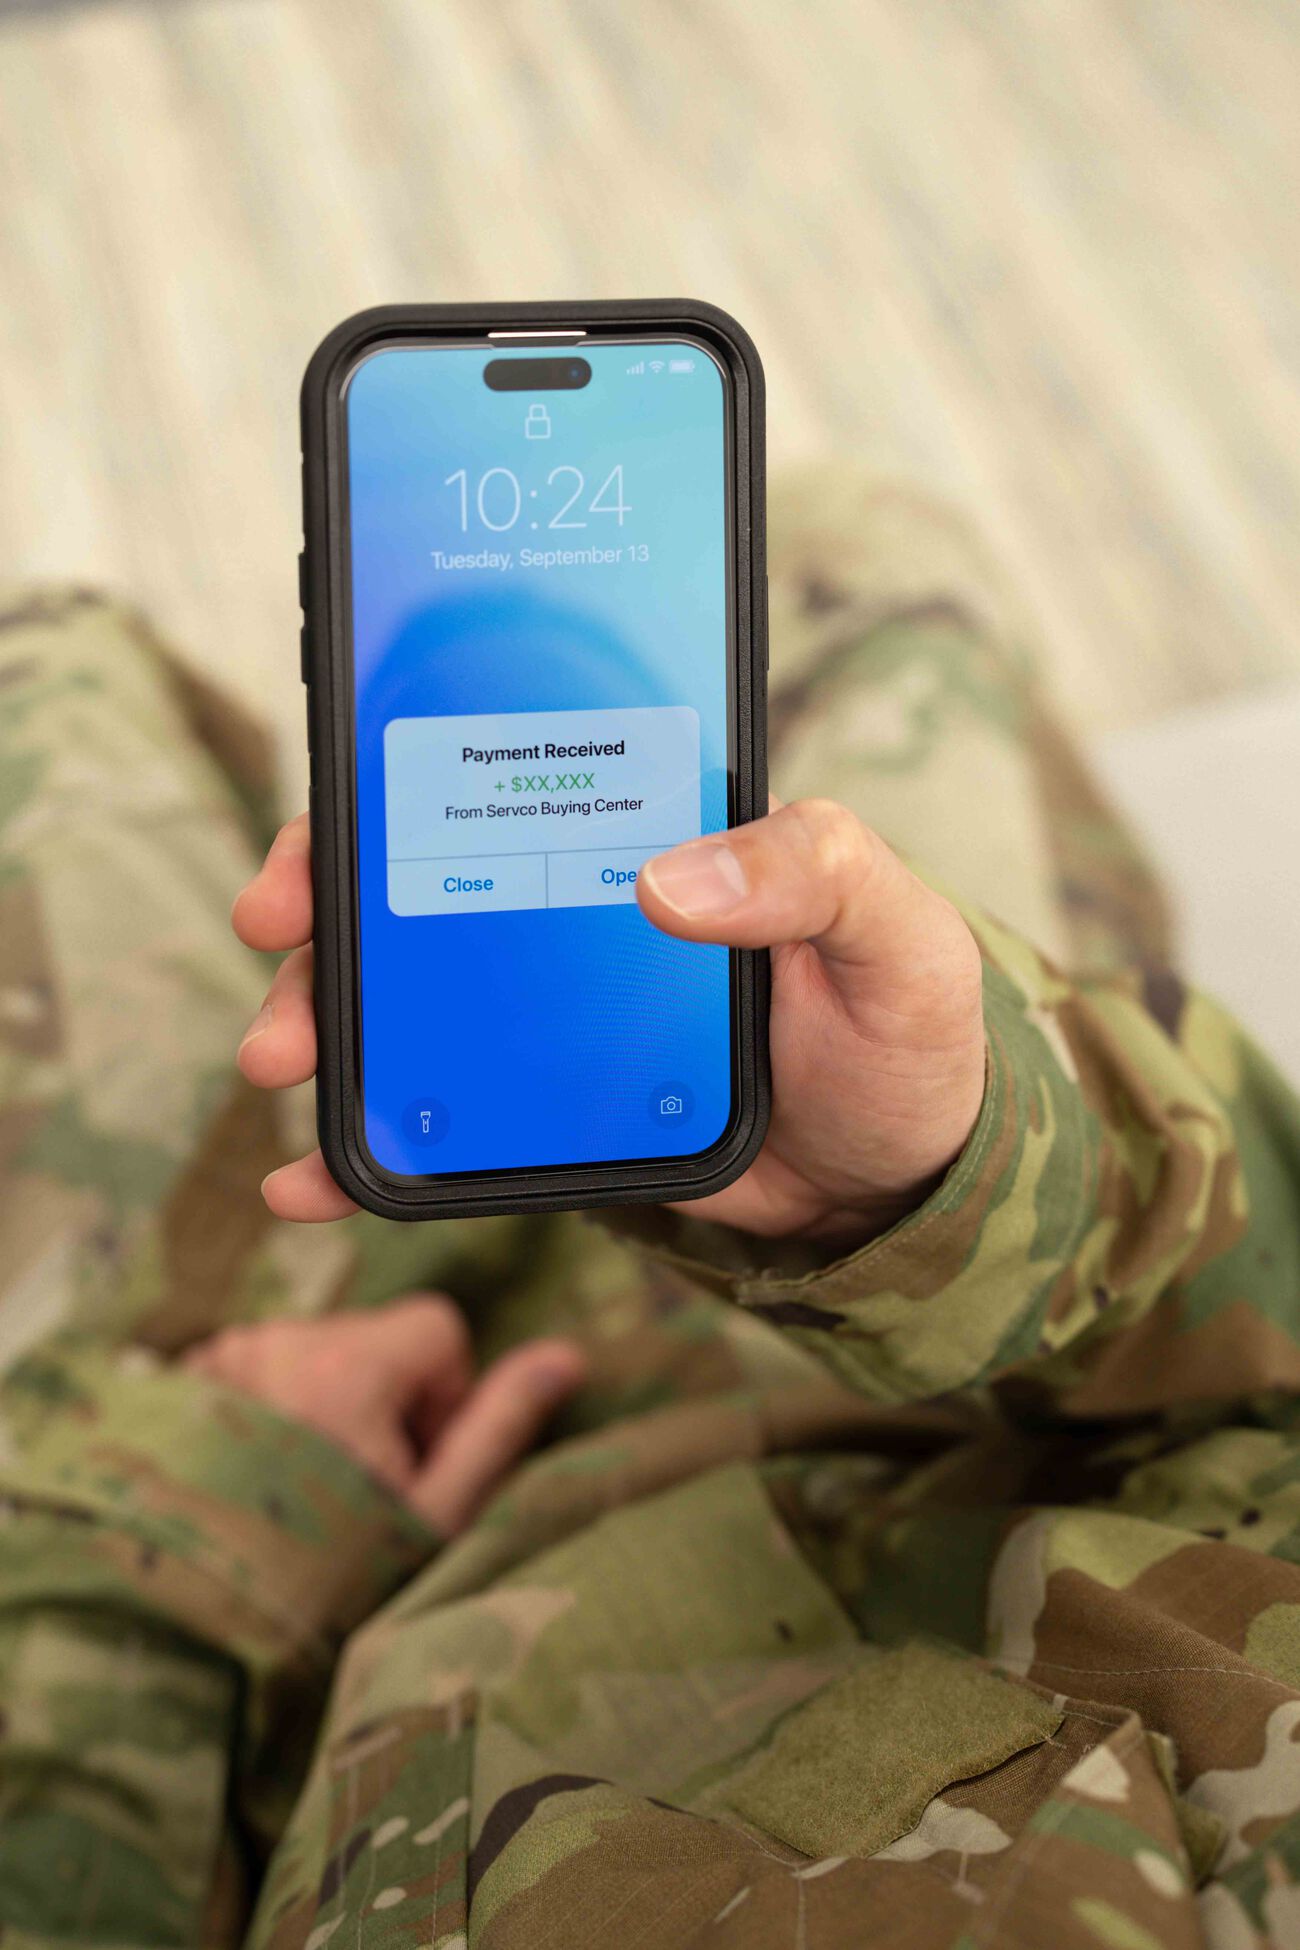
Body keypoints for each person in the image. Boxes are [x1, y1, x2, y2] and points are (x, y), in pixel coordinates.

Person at [2, 470, 1298, 1949]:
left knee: (47, 665)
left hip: (285, 1564)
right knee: (852, 557)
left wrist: (193, 1545)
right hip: (980, 1328)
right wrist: (956, 1173)